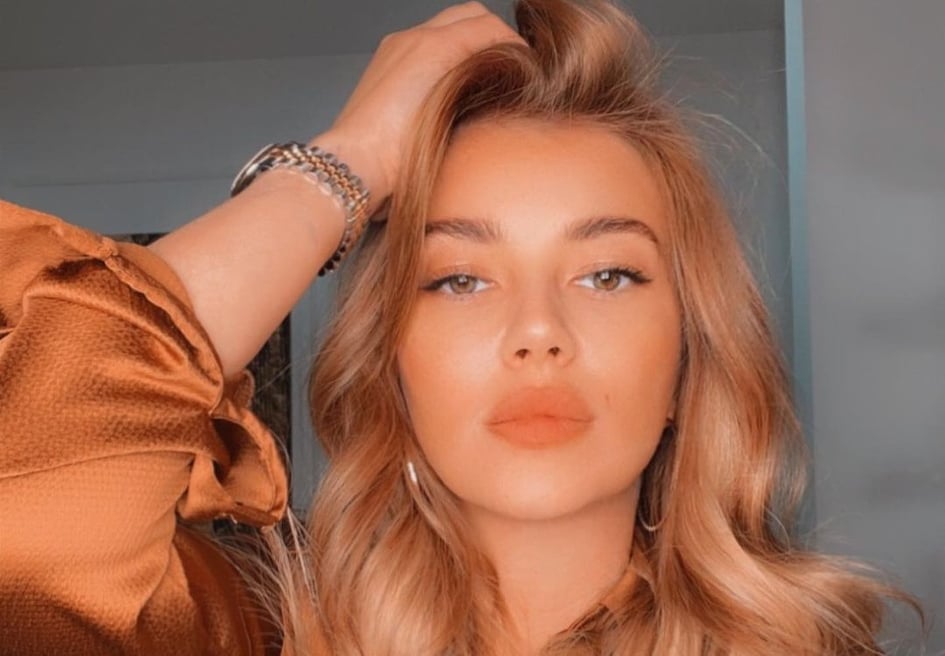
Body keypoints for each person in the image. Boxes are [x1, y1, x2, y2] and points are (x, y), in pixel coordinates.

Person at [0, 0, 924, 654]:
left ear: (690, 360)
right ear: (387, 363)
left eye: (606, 274)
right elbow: (28, 512)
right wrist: (348, 163)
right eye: (459, 279)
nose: (538, 332)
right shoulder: (247, 635)